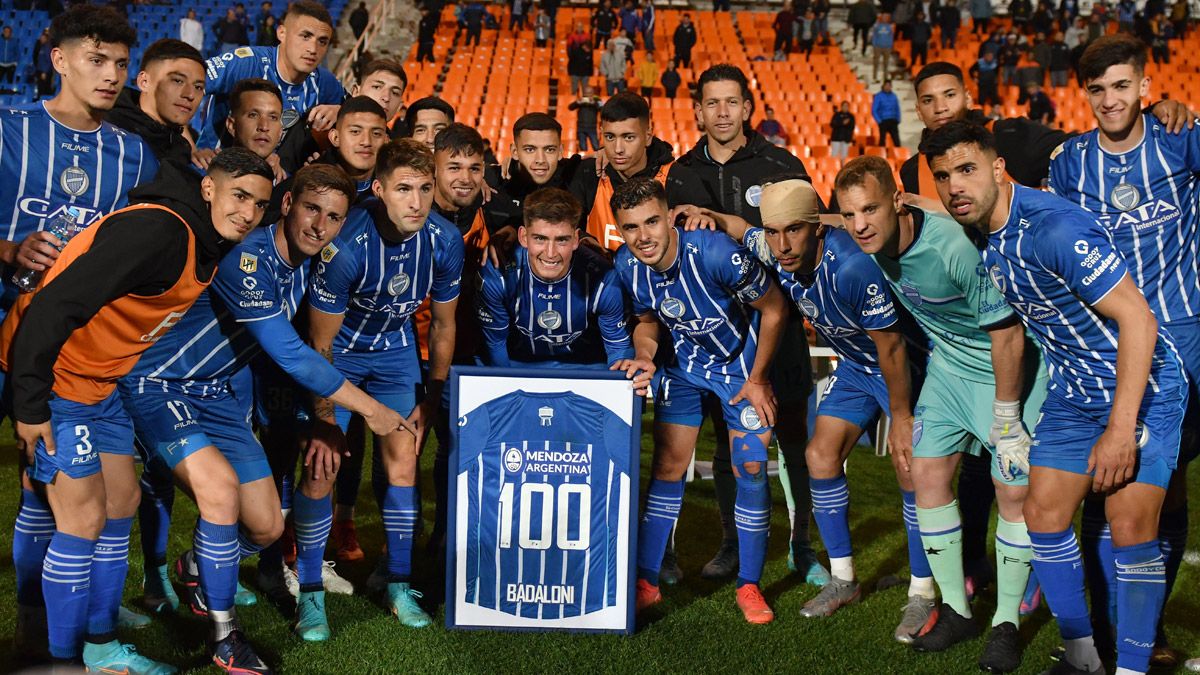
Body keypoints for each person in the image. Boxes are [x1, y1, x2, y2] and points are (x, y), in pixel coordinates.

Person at [923, 119, 1187, 675]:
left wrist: (1120, 428)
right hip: (1072, 394)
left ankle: (1133, 669)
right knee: (1042, 516)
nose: (954, 188)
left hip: (1142, 388)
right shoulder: (985, 232)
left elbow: (1138, 320)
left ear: (999, 169)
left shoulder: (1054, 230)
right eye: (943, 176)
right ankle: (1083, 657)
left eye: (967, 170)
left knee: (1131, 527)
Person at [1, 147, 274, 674]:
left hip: (102, 382)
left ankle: (99, 643)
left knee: (120, 500)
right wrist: (30, 400)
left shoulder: (204, 239)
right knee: (80, 517)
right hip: (58, 377)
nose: (249, 211)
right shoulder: (161, 231)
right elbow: (57, 302)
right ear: (209, 188)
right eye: (240, 195)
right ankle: (61, 661)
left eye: (260, 204)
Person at [123, 164, 390, 669]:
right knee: (220, 493)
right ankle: (224, 638)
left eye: (334, 217)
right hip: (159, 385)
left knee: (267, 527)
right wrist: (369, 408)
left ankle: (198, 564)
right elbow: (289, 352)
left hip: (215, 394)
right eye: (312, 209)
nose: (320, 225)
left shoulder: (313, 260)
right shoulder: (248, 259)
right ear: (287, 205)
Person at [837, 156, 1046, 671]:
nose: (859, 224)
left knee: (1013, 491)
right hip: (950, 371)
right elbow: (814, 223)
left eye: (869, 209)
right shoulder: (870, 239)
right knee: (923, 472)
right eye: (848, 215)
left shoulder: (952, 247)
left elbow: (1010, 336)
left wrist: (1006, 416)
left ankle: (1005, 623)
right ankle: (956, 609)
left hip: (1009, 369)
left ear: (897, 202)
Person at [2, 5, 162, 661]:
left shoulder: (131, 152)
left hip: (83, 354)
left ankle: (60, 621)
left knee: (73, 492)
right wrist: (10, 249)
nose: (111, 75)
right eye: (97, 59)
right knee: (52, 489)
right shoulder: (8, 129)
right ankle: (54, 627)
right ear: (58, 58)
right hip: (11, 331)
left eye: (121, 64)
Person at [707, 177, 934, 641]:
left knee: (912, 469)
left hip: (906, 367)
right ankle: (845, 578)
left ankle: (923, 591)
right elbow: (739, 228)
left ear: (815, 227)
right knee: (819, 457)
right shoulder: (774, 249)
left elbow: (891, 348)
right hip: (855, 367)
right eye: (773, 232)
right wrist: (704, 215)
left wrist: (903, 417)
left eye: (793, 230)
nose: (782, 244)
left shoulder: (852, 266)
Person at [1047, 34, 1200, 668]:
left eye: (1121, 85)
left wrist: (1180, 108)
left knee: (1169, 486)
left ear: (1144, 86)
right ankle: (1106, 633)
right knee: (1104, 485)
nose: (1110, 99)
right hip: (1105, 349)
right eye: (1097, 89)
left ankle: (1147, 630)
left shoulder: (1181, 140)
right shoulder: (1067, 163)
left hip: (1184, 344)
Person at [612, 177, 789, 625]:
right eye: (631, 228)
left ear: (670, 217)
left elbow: (774, 308)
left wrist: (759, 378)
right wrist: (646, 356)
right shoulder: (627, 265)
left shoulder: (714, 252)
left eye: (652, 221)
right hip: (684, 368)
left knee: (749, 467)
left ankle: (749, 585)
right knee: (668, 466)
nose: (643, 236)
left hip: (741, 372)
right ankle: (646, 583)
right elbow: (649, 318)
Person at [674, 64, 823, 585]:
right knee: (727, 442)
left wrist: (743, 230)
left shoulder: (780, 163)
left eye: (731, 102)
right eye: (711, 103)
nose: (721, 112)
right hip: (720, 338)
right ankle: (732, 543)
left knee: (793, 438)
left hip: (778, 325)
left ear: (746, 107)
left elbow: (810, 235)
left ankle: (801, 545)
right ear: (697, 110)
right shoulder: (679, 173)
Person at [307, 139, 464, 628]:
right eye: (402, 190)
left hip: (396, 356)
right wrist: (326, 421)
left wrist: (432, 397)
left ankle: (399, 585)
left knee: (403, 464)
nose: (416, 202)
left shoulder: (444, 240)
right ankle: (309, 590)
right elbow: (319, 348)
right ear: (378, 190)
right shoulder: (346, 247)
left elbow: (442, 325)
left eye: (424, 188)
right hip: (341, 356)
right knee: (322, 467)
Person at [476, 187, 635, 370]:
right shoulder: (498, 274)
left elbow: (618, 348)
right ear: (523, 237)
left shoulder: (603, 278)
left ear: (576, 239)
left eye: (561, 240)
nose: (550, 253)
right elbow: (495, 345)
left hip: (584, 368)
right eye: (540, 239)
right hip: (518, 366)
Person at [567, 91, 710, 251]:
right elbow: (565, 230)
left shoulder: (680, 180)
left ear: (648, 135)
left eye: (628, 137)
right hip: (602, 275)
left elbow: (705, 243)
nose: (618, 149)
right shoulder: (589, 173)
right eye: (610, 137)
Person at [197, 0, 344, 150]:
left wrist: (341, 111)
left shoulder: (325, 82)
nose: (313, 49)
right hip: (217, 168)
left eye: (322, 41)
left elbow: (361, 112)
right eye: (305, 36)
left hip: (275, 171)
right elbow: (185, 82)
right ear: (282, 33)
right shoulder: (245, 63)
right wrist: (187, 146)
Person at [106, 38, 207, 168]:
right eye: (177, 81)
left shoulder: (184, 148)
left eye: (198, 87)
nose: (190, 95)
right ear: (144, 82)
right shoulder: (106, 129)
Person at [350, 57, 407, 139]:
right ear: (355, 92)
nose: (386, 97)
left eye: (395, 93)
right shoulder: (329, 129)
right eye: (377, 87)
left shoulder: (399, 150)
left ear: (399, 106)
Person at [568, 85, 602, 152]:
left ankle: (598, 161)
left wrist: (594, 103)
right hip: (581, 128)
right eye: (586, 93)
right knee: (583, 148)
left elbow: (602, 108)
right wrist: (577, 102)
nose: (587, 95)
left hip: (592, 128)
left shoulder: (597, 100)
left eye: (589, 93)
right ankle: (585, 161)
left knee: (596, 147)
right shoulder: (581, 101)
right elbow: (570, 107)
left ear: (593, 93)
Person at [566, 22, 593, 95]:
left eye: (581, 27)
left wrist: (590, 71)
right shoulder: (572, 36)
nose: (580, 28)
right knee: (574, 89)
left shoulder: (587, 36)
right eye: (578, 26)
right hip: (575, 70)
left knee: (585, 91)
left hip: (585, 71)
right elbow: (569, 49)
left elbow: (590, 54)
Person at [872, 80, 901, 147]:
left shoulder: (894, 96)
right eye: (886, 85)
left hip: (893, 120)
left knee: (896, 141)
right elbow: (874, 110)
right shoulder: (878, 96)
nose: (888, 87)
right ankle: (881, 155)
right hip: (883, 121)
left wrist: (898, 119)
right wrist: (879, 121)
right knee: (882, 140)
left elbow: (897, 108)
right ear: (883, 86)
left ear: (891, 87)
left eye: (889, 86)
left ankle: (898, 154)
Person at [871, 13, 896, 82]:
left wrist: (890, 46)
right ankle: (874, 77)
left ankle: (885, 77)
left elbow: (891, 37)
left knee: (886, 63)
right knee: (876, 62)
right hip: (877, 47)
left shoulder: (890, 27)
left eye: (886, 17)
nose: (884, 19)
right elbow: (874, 36)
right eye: (883, 17)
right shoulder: (877, 26)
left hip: (887, 47)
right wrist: (874, 44)